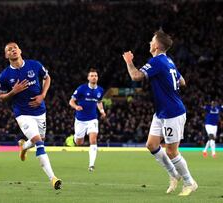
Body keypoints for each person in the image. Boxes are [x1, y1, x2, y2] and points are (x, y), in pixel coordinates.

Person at [122, 30, 198, 196]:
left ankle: (189, 182)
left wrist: (129, 61)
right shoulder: (169, 61)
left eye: (151, 40)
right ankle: (174, 175)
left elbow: (135, 76)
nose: (150, 43)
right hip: (162, 111)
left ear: (156, 46)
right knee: (152, 145)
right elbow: (182, 81)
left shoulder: (156, 61)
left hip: (173, 112)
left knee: (171, 151)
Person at [0, 42, 62, 190]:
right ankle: (53, 178)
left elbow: (47, 78)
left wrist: (43, 95)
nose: (13, 50)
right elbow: (0, 97)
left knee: (38, 140)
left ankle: (24, 146)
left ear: (20, 50)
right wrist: (13, 92)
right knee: (40, 143)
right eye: (9, 49)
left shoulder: (35, 65)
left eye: (15, 48)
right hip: (23, 114)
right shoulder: (5, 76)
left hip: (40, 111)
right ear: (6, 55)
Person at [69, 68, 106, 172]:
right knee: (79, 142)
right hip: (80, 120)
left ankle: (91, 165)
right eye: (92, 76)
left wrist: (102, 111)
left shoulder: (100, 90)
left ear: (97, 78)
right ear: (88, 78)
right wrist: (76, 107)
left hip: (93, 119)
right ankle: (75, 138)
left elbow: (99, 102)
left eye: (96, 75)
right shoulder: (82, 89)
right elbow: (71, 101)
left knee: (93, 140)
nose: (94, 77)